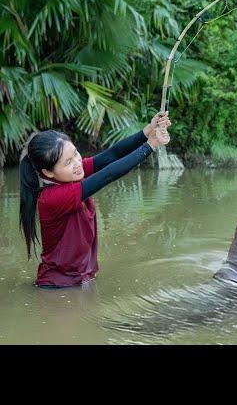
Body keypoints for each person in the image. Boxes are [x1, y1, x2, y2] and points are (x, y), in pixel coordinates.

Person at [18, 112, 172, 288]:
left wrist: (148, 130)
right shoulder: (52, 197)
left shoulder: (71, 174)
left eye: (76, 154)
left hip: (79, 282)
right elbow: (108, 175)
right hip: (59, 287)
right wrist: (150, 145)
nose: (77, 163)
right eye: (68, 162)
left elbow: (112, 155)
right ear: (48, 173)